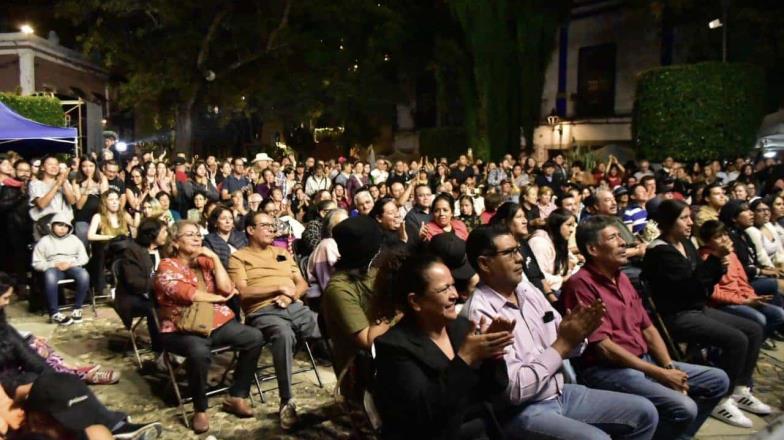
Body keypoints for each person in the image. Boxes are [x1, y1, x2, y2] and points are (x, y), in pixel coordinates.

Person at [463, 225, 658, 440]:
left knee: (645, 412)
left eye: (517, 250)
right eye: (509, 253)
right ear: (484, 263)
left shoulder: (526, 290)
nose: (519, 258)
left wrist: (579, 331)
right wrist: (562, 345)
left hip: (560, 391)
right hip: (522, 410)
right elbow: (515, 390)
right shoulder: (479, 314)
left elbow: (573, 345)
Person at [563, 215, 729, 440]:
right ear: (593, 249)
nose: (623, 243)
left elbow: (648, 329)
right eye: (613, 238)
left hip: (645, 362)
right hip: (610, 371)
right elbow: (604, 348)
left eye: (621, 236)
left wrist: (668, 367)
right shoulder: (580, 284)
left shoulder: (621, 278)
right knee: (684, 407)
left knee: (718, 380)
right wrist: (659, 373)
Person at [642, 199, 770, 427]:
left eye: (690, 217)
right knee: (737, 339)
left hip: (696, 307)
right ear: (669, 222)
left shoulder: (687, 244)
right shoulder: (660, 252)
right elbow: (690, 288)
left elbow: (702, 286)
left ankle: (740, 388)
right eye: (684, 218)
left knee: (754, 328)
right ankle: (721, 399)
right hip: (678, 316)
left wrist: (717, 263)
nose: (690, 222)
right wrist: (714, 259)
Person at [0, 272, 163, 440]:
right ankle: (113, 427)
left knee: (67, 385)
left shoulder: (3, 327)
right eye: (4, 298)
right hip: (9, 386)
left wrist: (56, 378)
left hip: (23, 378)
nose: (7, 303)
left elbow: (29, 356)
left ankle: (114, 425)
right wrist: (14, 388)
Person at [373, 253, 512, 440]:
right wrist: (465, 359)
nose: (455, 295)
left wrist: (493, 353)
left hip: (482, 428)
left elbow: (496, 388)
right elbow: (423, 415)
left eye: (453, 285)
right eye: (444, 289)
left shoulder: (460, 327)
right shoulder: (393, 346)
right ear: (415, 301)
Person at [154, 220, 263, 434]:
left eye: (198, 234)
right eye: (190, 234)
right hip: (180, 327)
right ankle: (200, 408)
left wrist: (213, 257)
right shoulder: (167, 265)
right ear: (175, 242)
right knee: (198, 351)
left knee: (254, 337)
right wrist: (218, 298)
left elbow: (226, 287)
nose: (197, 238)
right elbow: (186, 294)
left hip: (215, 322)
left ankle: (237, 395)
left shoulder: (206, 262)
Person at [228, 212, 319, 430]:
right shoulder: (238, 258)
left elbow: (302, 283)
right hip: (263, 312)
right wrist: (277, 288)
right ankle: (286, 401)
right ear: (250, 230)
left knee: (331, 324)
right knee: (283, 335)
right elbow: (243, 292)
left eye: (273, 225)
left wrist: (289, 296)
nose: (272, 229)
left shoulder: (282, 253)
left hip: (293, 305)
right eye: (266, 226)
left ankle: (352, 389)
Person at [321, 216, 386, 379]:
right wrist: (397, 308)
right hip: (363, 371)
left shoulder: (376, 270)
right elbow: (367, 341)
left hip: (392, 356)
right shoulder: (339, 289)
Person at [699, 220, 784, 344]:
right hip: (723, 304)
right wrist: (743, 301)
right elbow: (714, 293)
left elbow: (742, 280)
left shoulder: (731, 254)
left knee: (778, 314)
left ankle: (754, 346)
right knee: (759, 319)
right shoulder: (706, 259)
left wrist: (752, 297)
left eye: (725, 234)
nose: (723, 239)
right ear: (708, 242)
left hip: (741, 297)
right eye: (717, 237)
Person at [115, 218, 169, 354]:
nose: (166, 235)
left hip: (158, 293)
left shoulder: (164, 250)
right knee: (155, 308)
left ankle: (177, 344)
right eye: (164, 232)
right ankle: (160, 349)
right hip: (133, 296)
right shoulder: (133, 252)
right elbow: (134, 283)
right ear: (152, 234)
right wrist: (161, 282)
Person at [489, 202, 556, 302]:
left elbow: (539, 275)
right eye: (519, 217)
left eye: (524, 217)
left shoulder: (523, 243)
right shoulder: (501, 251)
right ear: (504, 222)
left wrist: (552, 299)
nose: (525, 221)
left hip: (543, 298)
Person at [32, 214, 90, 326]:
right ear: (52, 226)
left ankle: (77, 309)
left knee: (84, 275)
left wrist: (71, 263)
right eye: (59, 225)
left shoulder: (74, 240)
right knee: (49, 276)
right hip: (53, 267)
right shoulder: (44, 241)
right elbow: (36, 263)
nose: (63, 228)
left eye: (66, 226)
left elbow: (84, 258)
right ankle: (55, 313)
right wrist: (53, 264)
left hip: (71, 265)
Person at [87, 190, 135, 299]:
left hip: (122, 250)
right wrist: (109, 237)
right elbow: (90, 236)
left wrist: (136, 210)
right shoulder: (98, 217)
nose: (114, 202)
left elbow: (136, 225)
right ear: (105, 202)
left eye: (116, 199)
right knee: (100, 250)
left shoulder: (124, 215)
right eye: (111, 200)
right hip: (106, 251)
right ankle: (104, 287)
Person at [304, 208, 348, 305]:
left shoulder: (343, 244)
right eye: (342, 224)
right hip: (323, 300)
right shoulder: (327, 245)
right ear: (331, 228)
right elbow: (329, 284)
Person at [528, 208, 577, 293]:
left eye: (573, 225)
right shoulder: (539, 243)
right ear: (557, 225)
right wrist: (562, 279)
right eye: (569, 225)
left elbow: (573, 261)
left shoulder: (559, 239)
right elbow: (539, 276)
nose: (572, 230)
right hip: (543, 291)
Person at [29, 156, 76, 239]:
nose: (54, 167)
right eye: (50, 164)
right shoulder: (35, 184)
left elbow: (72, 201)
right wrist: (57, 184)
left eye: (56, 164)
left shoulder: (65, 182)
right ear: (43, 167)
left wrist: (64, 181)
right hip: (45, 226)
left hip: (64, 225)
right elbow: (42, 204)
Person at [203, 205, 248, 269]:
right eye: (223, 218)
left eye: (231, 218)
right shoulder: (209, 240)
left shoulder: (243, 237)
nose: (228, 221)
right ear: (215, 223)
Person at [745, 198, 784, 269]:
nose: (766, 213)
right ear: (752, 213)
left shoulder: (769, 225)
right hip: (767, 270)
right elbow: (762, 259)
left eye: (767, 209)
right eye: (760, 210)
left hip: (778, 265)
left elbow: (780, 251)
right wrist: (776, 272)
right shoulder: (752, 231)